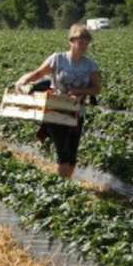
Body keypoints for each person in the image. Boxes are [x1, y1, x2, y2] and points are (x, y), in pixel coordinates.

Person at [15, 24, 101, 179]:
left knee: (72, 151)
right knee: (63, 151)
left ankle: (66, 182)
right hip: (55, 108)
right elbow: (39, 73)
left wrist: (80, 92)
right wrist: (23, 81)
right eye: (80, 42)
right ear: (71, 41)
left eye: (86, 43)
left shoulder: (90, 65)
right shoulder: (58, 59)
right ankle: (63, 186)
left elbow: (96, 89)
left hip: (76, 111)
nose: (83, 46)